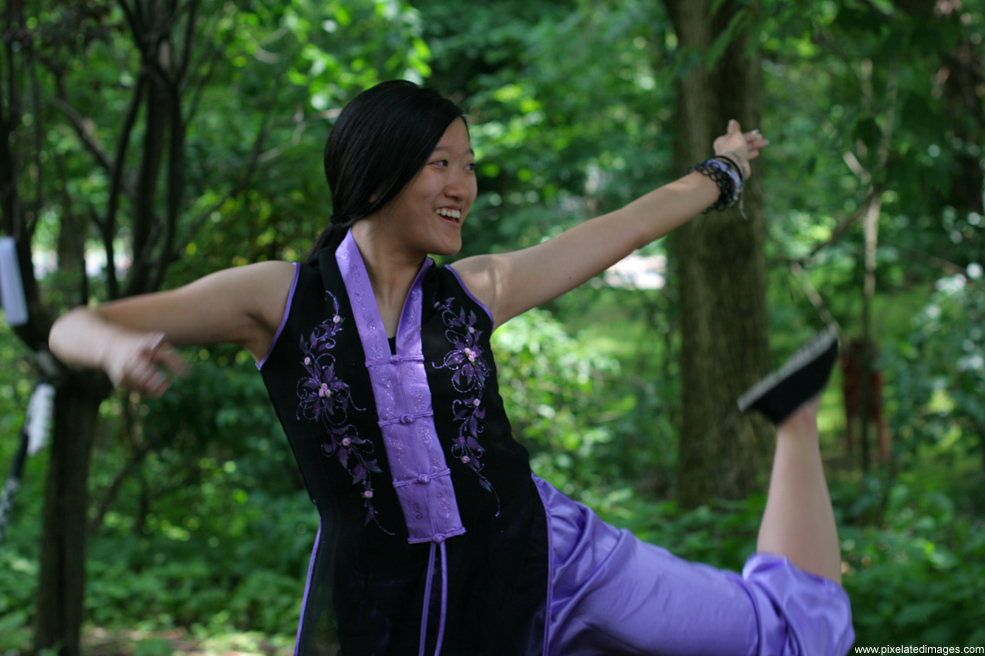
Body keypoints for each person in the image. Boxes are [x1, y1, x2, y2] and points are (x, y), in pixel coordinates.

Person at [49, 80, 853, 656]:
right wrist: (116, 350)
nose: (462, 186)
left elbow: (625, 227)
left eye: (468, 165)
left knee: (775, 640)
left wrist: (724, 170)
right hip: (385, 599)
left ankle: (793, 421)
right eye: (441, 164)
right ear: (378, 169)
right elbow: (75, 326)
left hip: (553, 560)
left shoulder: (477, 289)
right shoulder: (280, 298)